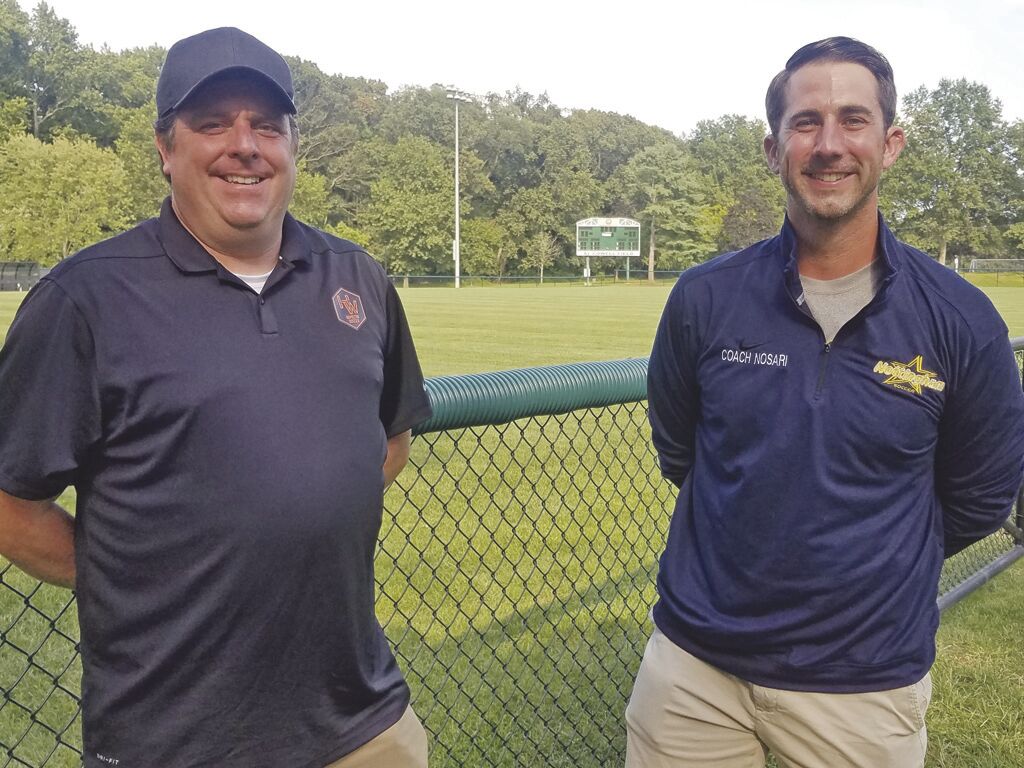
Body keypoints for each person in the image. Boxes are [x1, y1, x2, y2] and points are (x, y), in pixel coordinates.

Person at [0, 27, 433, 768]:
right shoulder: (86, 299)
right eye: (212, 124)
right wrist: (124, 570)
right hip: (176, 738)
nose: (245, 145)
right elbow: (9, 499)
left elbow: (389, 439)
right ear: (166, 149)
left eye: (268, 125)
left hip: (365, 725)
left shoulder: (356, 278)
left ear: (293, 146)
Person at [629, 36, 1024, 768]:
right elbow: (681, 449)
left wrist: (874, 566)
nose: (829, 144)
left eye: (853, 119)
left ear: (891, 142)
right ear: (773, 149)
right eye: (805, 123)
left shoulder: (961, 321)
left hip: (864, 687)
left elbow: (978, 496)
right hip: (695, 672)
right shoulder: (704, 299)